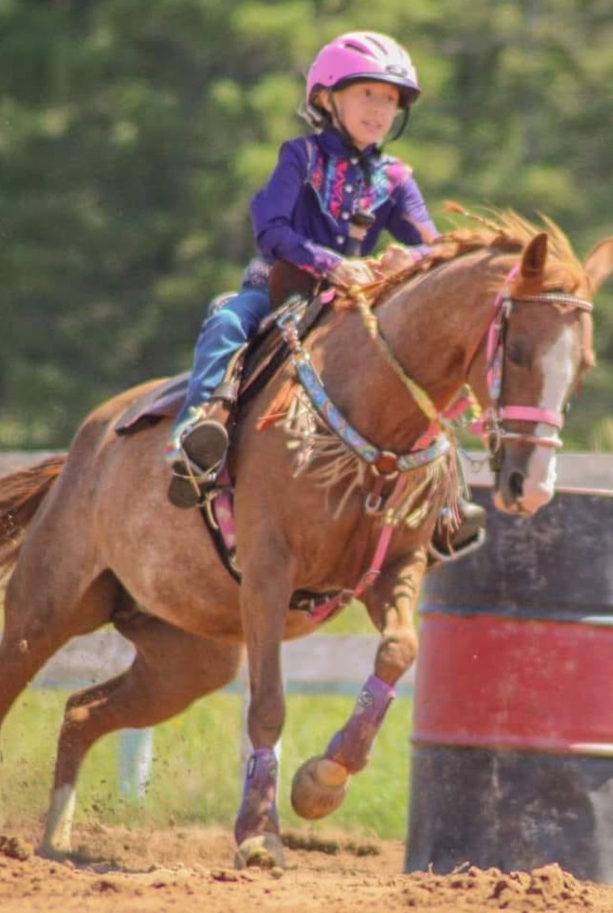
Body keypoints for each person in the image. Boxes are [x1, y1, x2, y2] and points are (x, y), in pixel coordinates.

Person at [166, 30, 485, 554]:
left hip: (354, 305)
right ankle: (194, 440)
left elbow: (432, 243)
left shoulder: (397, 178)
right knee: (226, 319)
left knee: (421, 367)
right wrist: (331, 263)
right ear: (325, 98)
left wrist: (415, 259)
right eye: (367, 94)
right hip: (278, 290)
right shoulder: (299, 157)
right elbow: (269, 227)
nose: (379, 110)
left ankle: (449, 500)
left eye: (390, 101)